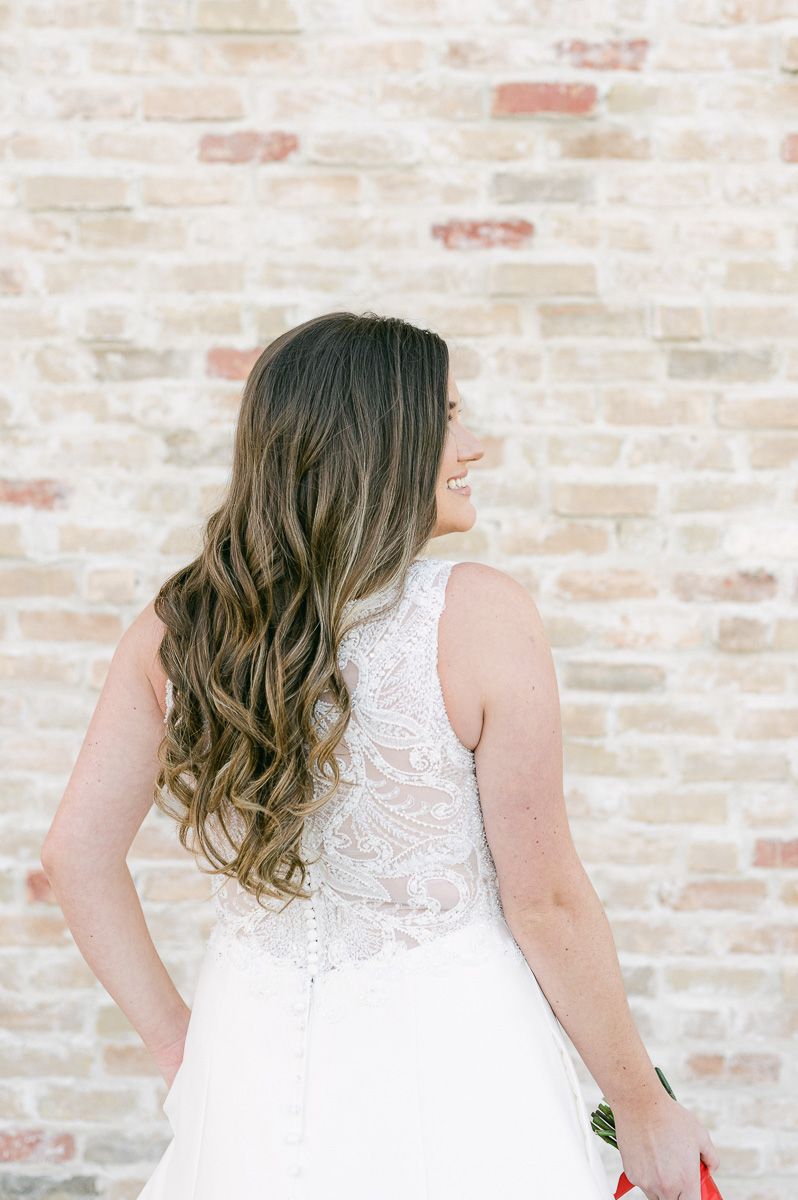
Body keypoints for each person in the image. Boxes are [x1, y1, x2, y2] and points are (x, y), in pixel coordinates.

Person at [41, 311, 720, 1200]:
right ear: (377, 437)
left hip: (244, 1060)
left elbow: (73, 857)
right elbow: (546, 901)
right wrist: (640, 1102)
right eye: (445, 417)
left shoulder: (179, 633)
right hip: (450, 1064)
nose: (472, 445)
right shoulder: (479, 616)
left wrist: (178, 1045)